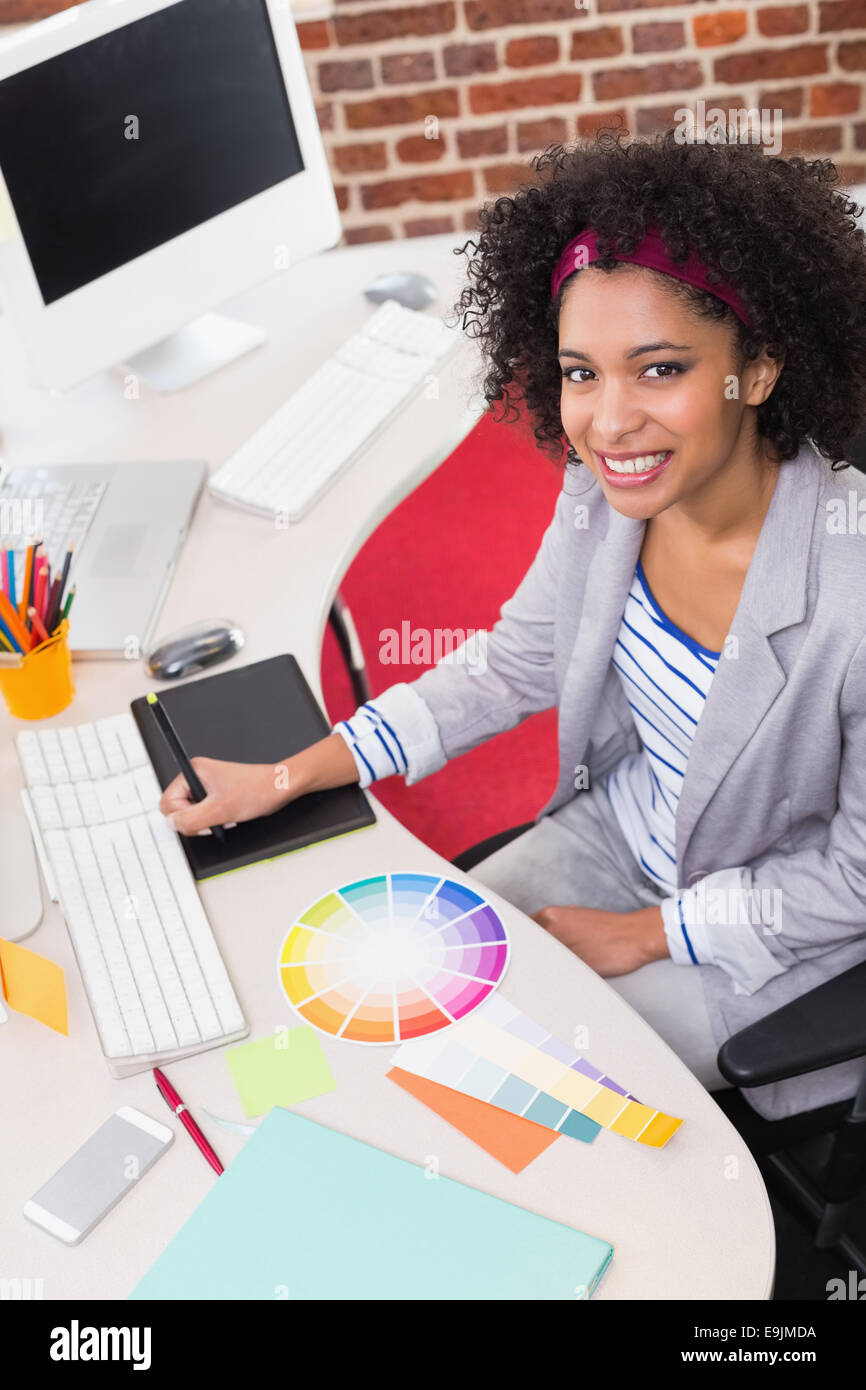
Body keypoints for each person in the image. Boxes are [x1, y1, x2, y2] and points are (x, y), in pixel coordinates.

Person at [159, 129, 866, 1121]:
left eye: (657, 370)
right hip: (617, 832)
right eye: (580, 372)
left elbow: (852, 875)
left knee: (498, 1094)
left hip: (773, 929)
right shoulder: (602, 497)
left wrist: (648, 932)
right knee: (395, 988)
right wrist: (292, 773)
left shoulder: (848, 586)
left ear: (753, 370)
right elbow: (508, 667)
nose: (607, 421)